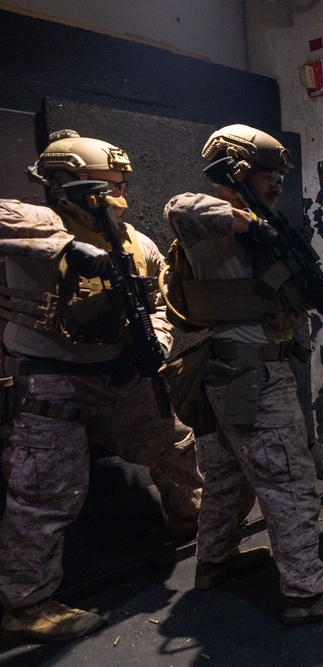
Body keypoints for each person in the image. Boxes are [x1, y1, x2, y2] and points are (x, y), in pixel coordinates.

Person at [162, 124, 323, 626]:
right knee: (292, 484)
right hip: (250, 376)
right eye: (266, 175)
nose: (277, 184)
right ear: (235, 171)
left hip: (243, 373)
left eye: (279, 175)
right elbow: (178, 207)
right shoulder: (208, 221)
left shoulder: (265, 224)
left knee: (231, 477)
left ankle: (214, 562)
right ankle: (306, 594)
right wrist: (245, 223)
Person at [0, 130, 203, 642]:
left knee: (175, 444)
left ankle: (190, 524)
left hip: (122, 371)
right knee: (43, 493)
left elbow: (161, 304)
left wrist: (155, 339)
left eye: (121, 185)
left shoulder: (138, 243)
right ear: (64, 186)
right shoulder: (35, 225)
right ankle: (25, 604)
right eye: (105, 187)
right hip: (51, 380)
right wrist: (66, 248)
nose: (119, 199)